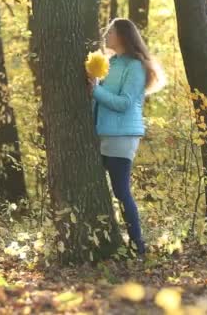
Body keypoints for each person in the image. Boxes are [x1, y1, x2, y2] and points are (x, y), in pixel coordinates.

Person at [87, 18, 164, 256]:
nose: (106, 35)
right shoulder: (112, 62)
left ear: (122, 36)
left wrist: (95, 90)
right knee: (94, 189)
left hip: (121, 135)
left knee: (121, 191)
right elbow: (99, 97)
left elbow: (125, 103)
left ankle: (138, 245)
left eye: (110, 32)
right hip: (101, 133)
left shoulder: (135, 66)